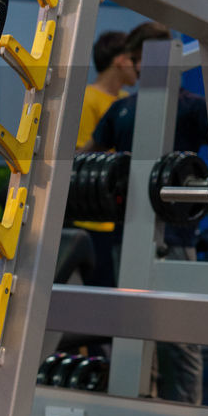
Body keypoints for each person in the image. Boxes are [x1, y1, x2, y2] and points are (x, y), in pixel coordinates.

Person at [85, 21, 208, 404]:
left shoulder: (191, 108)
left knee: (178, 341)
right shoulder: (121, 110)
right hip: (129, 238)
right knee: (136, 340)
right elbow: (86, 160)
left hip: (175, 238)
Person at [72, 30, 138, 287]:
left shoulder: (128, 102)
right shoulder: (87, 99)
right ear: (120, 60)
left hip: (127, 214)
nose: (139, 66)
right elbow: (82, 157)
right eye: (135, 59)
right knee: (102, 287)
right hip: (95, 218)